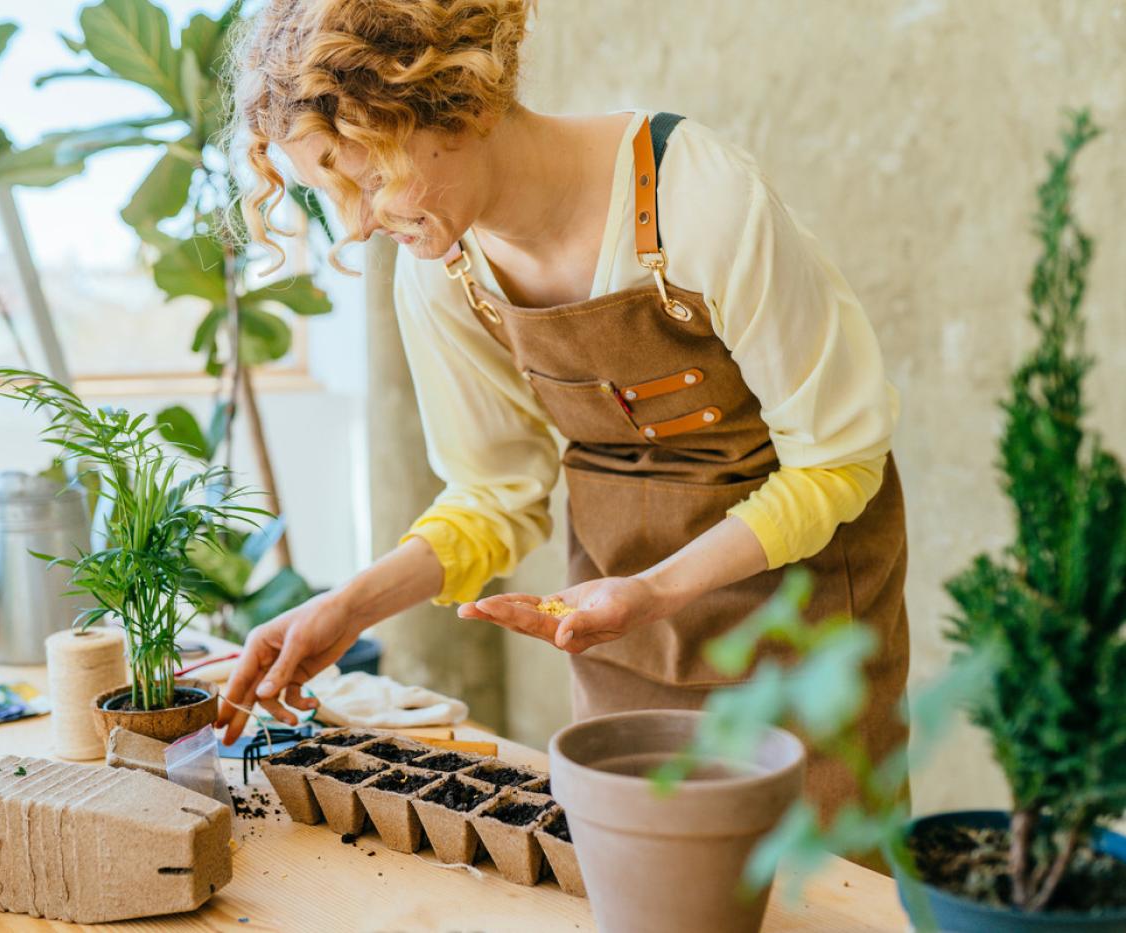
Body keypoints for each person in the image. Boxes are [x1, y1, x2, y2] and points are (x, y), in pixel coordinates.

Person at [214, 0, 908, 826]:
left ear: (455, 103)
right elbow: (493, 495)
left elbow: (838, 460)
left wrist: (655, 589)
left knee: (815, 891)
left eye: (367, 177)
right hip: (621, 630)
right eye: (332, 193)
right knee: (635, 870)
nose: (358, 224)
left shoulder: (696, 199)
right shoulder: (443, 272)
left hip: (808, 620)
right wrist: (347, 606)